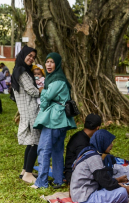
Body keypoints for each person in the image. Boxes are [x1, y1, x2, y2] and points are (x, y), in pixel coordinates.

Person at [32, 52, 77, 189]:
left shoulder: (57, 79)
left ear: (57, 64)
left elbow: (46, 98)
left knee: (43, 150)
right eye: (47, 62)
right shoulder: (56, 78)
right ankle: (58, 180)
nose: (49, 65)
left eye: (52, 62)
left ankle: (42, 182)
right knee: (57, 150)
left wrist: (43, 91)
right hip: (61, 119)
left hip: (54, 119)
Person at [69, 130, 129, 203]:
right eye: (109, 143)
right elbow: (105, 182)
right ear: (103, 142)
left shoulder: (88, 152)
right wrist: (124, 187)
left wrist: (118, 180)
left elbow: (102, 178)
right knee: (122, 192)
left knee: (117, 187)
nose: (111, 145)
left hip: (78, 193)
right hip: (84, 197)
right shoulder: (94, 157)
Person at [13, 46, 41, 184]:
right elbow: (33, 91)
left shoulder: (18, 70)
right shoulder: (23, 72)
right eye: (29, 55)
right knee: (36, 142)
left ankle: (24, 170)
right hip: (31, 110)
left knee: (30, 142)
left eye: (33, 57)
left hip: (26, 110)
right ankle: (28, 174)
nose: (31, 59)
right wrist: (43, 89)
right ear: (23, 54)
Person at [63, 113, 102, 184]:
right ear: (97, 128)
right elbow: (84, 163)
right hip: (73, 175)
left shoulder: (79, 135)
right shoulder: (82, 142)